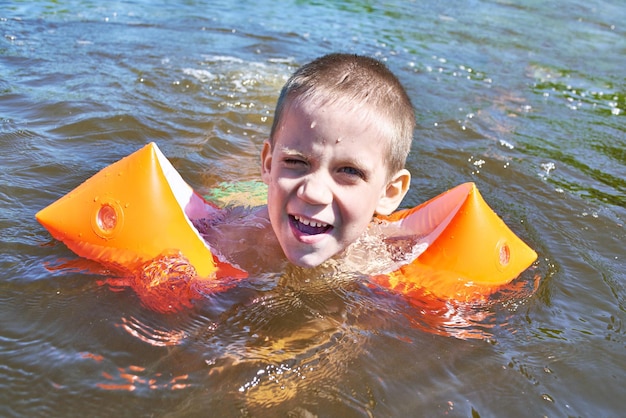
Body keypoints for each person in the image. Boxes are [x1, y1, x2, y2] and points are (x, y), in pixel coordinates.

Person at [199, 53, 415, 273]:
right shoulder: (227, 241)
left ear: (389, 192)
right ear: (268, 164)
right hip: (240, 194)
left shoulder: (390, 255)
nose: (313, 193)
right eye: (295, 161)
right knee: (223, 177)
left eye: (349, 171)